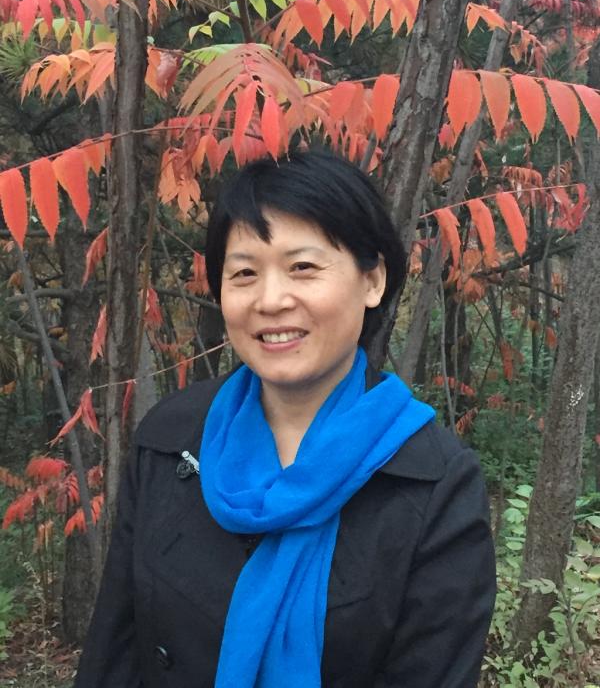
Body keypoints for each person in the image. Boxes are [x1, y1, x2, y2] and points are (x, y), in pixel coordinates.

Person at [75, 147, 496, 688]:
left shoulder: (435, 482)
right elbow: (115, 649)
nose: (271, 300)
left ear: (372, 281)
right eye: (244, 273)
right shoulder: (172, 437)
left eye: (303, 268)